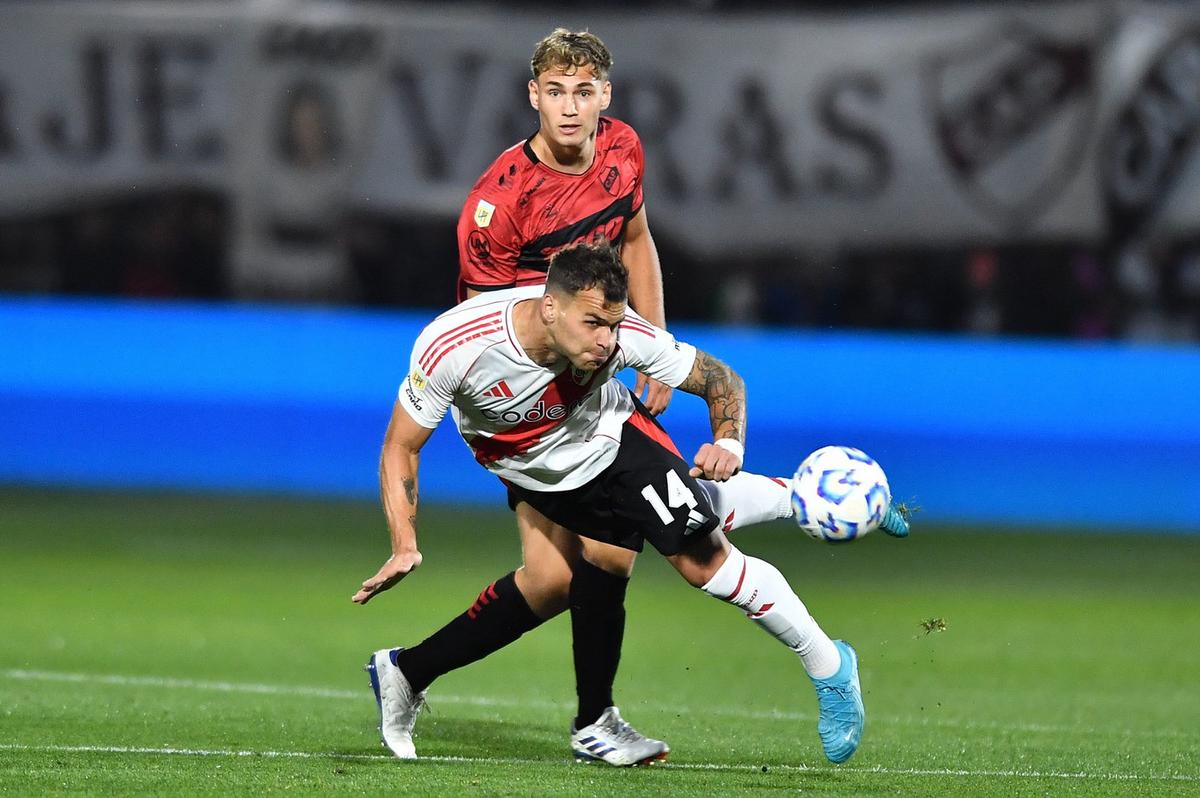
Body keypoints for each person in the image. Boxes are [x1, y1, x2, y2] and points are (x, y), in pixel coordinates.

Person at [354, 241, 879, 766]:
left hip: (614, 441)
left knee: (703, 564)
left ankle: (829, 666)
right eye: (593, 324)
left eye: (612, 324)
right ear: (550, 306)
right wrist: (405, 544)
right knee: (555, 582)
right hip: (537, 475)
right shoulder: (457, 345)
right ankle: (408, 672)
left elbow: (722, 380)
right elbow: (402, 445)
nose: (606, 341)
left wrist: (728, 443)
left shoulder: (624, 333)